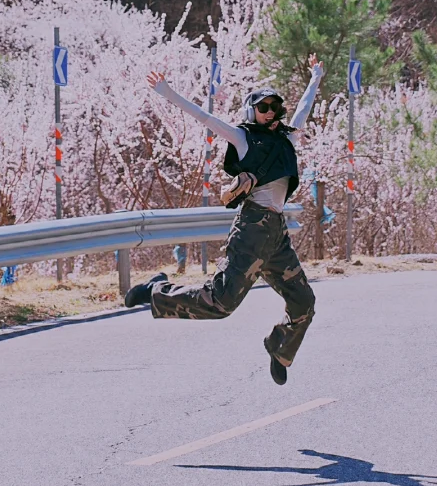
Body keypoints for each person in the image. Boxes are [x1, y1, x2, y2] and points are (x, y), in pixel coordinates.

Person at [123, 54, 324, 385]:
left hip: (276, 235)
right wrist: (166, 92)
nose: (270, 112)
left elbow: (303, 108)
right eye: (263, 107)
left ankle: (279, 347)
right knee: (221, 303)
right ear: (251, 110)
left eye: (275, 107)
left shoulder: (286, 138)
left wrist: (315, 77)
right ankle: (157, 290)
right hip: (251, 231)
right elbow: (204, 116)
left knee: (304, 302)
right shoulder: (243, 138)